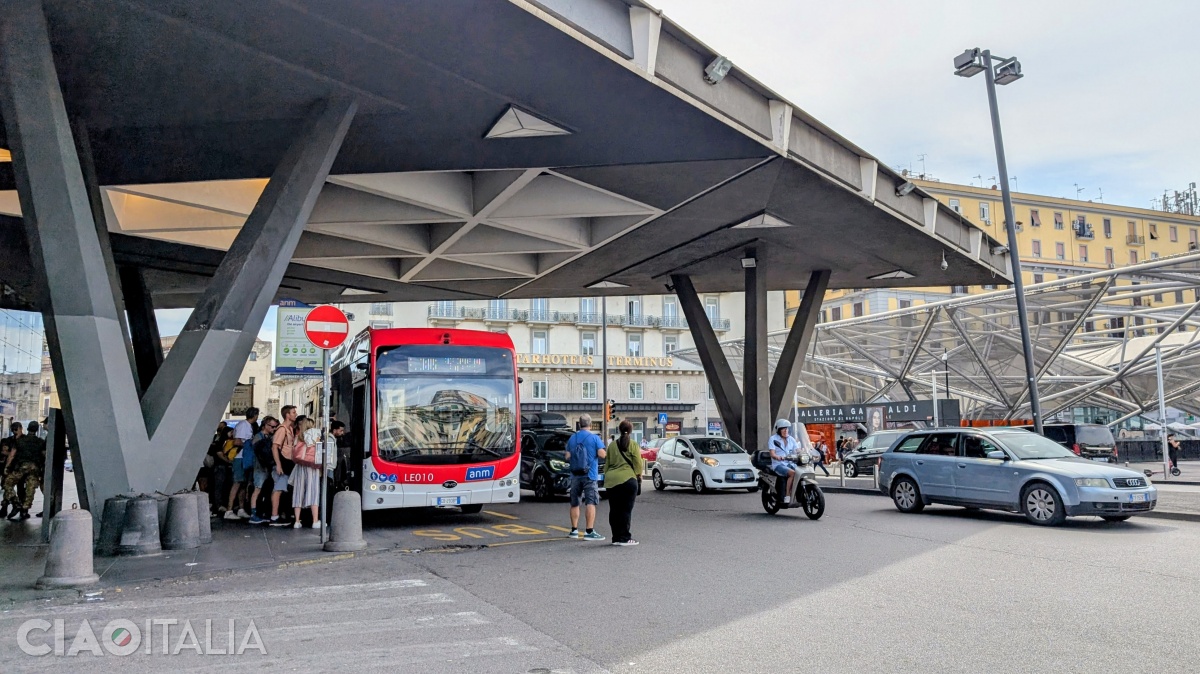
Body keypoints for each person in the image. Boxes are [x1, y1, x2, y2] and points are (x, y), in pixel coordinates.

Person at [564, 413, 606, 541]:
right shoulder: (594, 438)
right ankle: (589, 531)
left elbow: (567, 456)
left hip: (575, 475)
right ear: (590, 424)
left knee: (575, 502)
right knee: (591, 501)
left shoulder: (572, 438)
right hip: (590, 474)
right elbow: (602, 454)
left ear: (579, 424)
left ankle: (574, 530)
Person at [603, 420, 643, 546]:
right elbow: (637, 463)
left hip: (611, 481)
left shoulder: (612, 446)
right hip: (627, 480)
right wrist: (639, 475)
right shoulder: (633, 444)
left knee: (614, 510)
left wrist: (607, 476)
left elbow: (607, 464)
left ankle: (616, 537)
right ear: (630, 431)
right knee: (625, 510)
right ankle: (625, 537)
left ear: (619, 430)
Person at [4, 420, 45, 520]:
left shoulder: (20, 441)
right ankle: (24, 509)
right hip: (34, 469)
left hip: (21, 467)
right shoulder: (41, 442)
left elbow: (12, 455)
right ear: (37, 429)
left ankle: (15, 502)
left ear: (27, 429)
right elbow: (45, 455)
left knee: (8, 483)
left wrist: (6, 467)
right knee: (30, 490)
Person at [226, 407, 259, 520]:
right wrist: (248, 445)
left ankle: (241, 508)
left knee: (243, 484)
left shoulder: (246, 425)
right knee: (237, 483)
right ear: (255, 415)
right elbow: (237, 441)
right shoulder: (243, 425)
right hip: (240, 457)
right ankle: (229, 510)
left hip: (245, 458)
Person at [269, 405, 298, 526]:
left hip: (287, 462)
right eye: (293, 412)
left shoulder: (289, 429)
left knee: (282, 488)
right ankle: (274, 516)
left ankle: (277, 514)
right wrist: (278, 464)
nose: (295, 414)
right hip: (283, 463)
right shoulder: (282, 429)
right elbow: (275, 447)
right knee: (278, 489)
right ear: (287, 415)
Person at [291, 416, 322, 529]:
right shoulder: (315, 435)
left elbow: (293, 453)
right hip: (312, 467)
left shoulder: (298, 437)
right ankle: (315, 521)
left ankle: (297, 521)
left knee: (298, 492)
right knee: (313, 492)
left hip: (300, 467)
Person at [247, 415, 278, 524]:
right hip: (259, 467)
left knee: (264, 490)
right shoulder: (258, 437)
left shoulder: (268, 436)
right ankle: (253, 513)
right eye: (272, 426)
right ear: (265, 425)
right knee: (257, 489)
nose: (273, 429)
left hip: (266, 468)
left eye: (275, 427)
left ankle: (260, 512)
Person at [768, 419, 801, 504]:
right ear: (779, 430)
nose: (786, 430)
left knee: (800, 472)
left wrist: (804, 452)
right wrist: (777, 457)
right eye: (783, 429)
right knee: (793, 473)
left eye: (787, 428)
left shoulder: (791, 439)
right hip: (779, 464)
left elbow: (797, 450)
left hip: (790, 463)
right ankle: (787, 495)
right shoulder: (773, 439)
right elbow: (772, 453)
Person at [0, 422, 23, 519]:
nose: (14, 431)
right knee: (7, 488)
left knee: (18, 489)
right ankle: (9, 507)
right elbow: (3, 451)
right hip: (11, 468)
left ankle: (19, 507)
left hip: (18, 468)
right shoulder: (7, 440)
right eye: (13, 429)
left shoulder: (24, 440)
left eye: (16, 429)